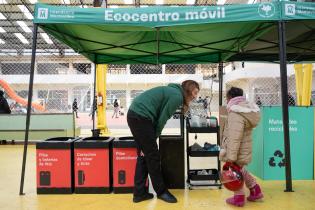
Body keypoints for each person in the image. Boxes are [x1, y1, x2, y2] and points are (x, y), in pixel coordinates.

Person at [127, 80, 200, 203]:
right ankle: (161, 192)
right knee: (153, 156)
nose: (195, 96)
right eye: (195, 92)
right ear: (188, 90)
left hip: (135, 115)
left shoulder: (173, 92)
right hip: (141, 117)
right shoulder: (177, 96)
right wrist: (154, 138)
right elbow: (162, 119)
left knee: (144, 156)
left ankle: (139, 193)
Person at [219, 87, 263, 207]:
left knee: (233, 172)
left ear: (230, 98)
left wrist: (231, 158)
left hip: (236, 150)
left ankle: (238, 198)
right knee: (241, 170)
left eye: (226, 98)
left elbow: (234, 137)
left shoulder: (236, 113)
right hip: (244, 147)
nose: (226, 100)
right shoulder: (246, 109)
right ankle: (255, 190)